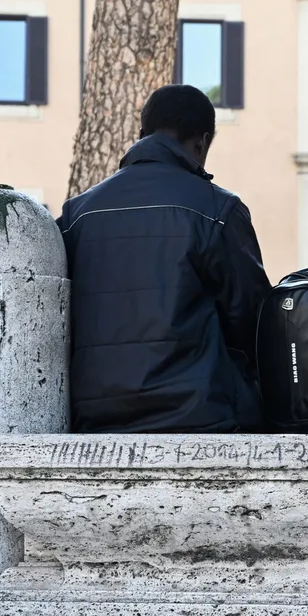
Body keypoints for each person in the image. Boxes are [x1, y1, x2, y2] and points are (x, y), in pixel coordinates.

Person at [58, 84, 271, 433]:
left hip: (95, 421)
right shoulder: (217, 210)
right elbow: (255, 323)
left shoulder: (76, 214)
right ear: (201, 142)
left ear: (141, 135)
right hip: (201, 417)